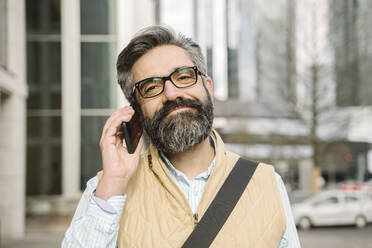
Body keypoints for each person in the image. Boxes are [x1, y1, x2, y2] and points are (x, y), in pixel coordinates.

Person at [62, 25, 300, 248]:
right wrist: (114, 182)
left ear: (207, 87)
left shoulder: (268, 183)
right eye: (151, 87)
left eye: (184, 76)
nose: (172, 93)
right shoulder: (106, 189)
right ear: (136, 111)